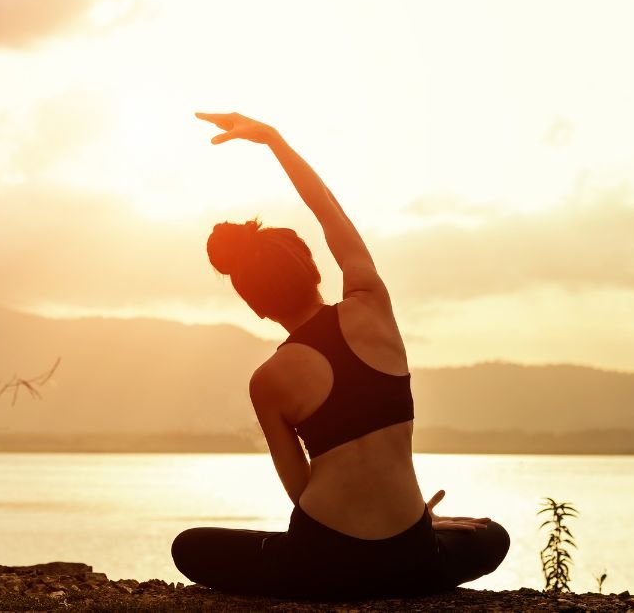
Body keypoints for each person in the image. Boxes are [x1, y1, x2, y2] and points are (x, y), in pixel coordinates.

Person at [171, 112, 509, 601]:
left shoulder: (268, 381)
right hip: (412, 559)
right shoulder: (372, 307)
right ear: (313, 269)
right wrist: (272, 140)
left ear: (257, 307)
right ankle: (415, 539)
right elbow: (329, 211)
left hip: (322, 567)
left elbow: (301, 491)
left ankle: (336, 567)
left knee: (190, 546)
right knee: (491, 534)